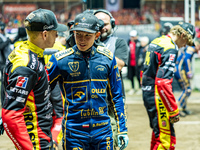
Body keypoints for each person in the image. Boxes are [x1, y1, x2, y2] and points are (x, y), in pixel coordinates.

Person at [47, 12, 128, 150]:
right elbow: (40, 89)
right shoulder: (59, 60)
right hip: (74, 132)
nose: (82, 40)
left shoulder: (108, 58)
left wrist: (122, 129)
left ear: (97, 35)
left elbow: (117, 96)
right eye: (78, 34)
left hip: (103, 131)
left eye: (87, 36)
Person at [1, 8, 67, 149]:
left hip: (40, 134)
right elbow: (10, 115)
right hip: (35, 140)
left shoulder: (24, 51)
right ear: (44, 34)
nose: (57, 35)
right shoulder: (27, 64)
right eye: (55, 31)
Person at [142, 22, 196, 150]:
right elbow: (163, 82)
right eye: (186, 42)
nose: (184, 46)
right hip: (157, 96)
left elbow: (143, 71)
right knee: (166, 141)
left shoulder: (158, 40)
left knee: (157, 137)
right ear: (182, 35)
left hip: (148, 92)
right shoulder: (170, 47)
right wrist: (173, 110)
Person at [94, 9, 129, 150]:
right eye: (98, 23)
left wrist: (98, 51)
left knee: (112, 139)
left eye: (106, 24)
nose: (102, 27)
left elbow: (118, 65)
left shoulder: (119, 43)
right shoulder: (83, 42)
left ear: (112, 24)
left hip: (112, 102)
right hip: (90, 101)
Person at [44, 31, 67, 149]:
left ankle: (46, 140)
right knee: (59, 115)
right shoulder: (62, 49)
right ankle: (54, 140)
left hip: (41, 87)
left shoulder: (41, 46)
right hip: (57, 87)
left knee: (45, 114)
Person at [174, 38, 200, 117]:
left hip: (179, 69)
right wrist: (189, 71)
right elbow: (186, 59)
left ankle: (183, 108)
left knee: (186, 90)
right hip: (180, 70)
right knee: (187, 90)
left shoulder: (188, 47)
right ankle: (178, 108)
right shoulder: (191, 48)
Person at [0, 21, 12, 106]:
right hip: (2, 62)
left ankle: (4, 100)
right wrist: (8, 40)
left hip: (4, 61)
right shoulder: (2, 37)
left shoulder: (3, 36)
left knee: (5, 81)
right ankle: (3, 100)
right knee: (4, 81)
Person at [127, 30, 141, 95]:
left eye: (134, 36)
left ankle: (139, 88)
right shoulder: (128, 43)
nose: (132, 38)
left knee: (138, 76)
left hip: (137, 63)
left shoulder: (139, 43)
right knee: (131, 76)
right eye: (131, 36)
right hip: (130, 62)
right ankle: (132, 88)